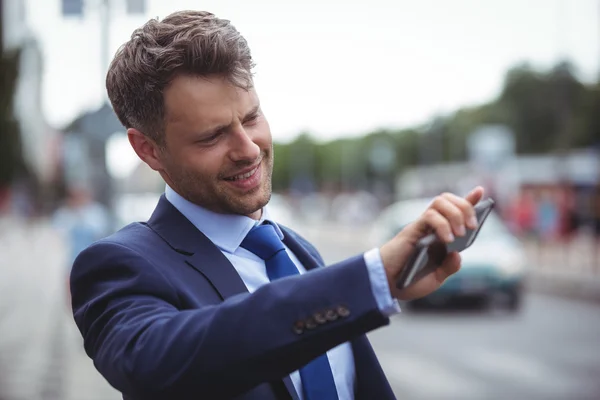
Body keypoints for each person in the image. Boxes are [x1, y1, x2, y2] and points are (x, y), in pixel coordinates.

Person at [70, 10, 485, 400]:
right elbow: (164, 359)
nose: (248, 149)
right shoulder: (117, 266)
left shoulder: (298, 250)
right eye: (213, 136)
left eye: (251, 118)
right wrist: (373, 278)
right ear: (148, 150)